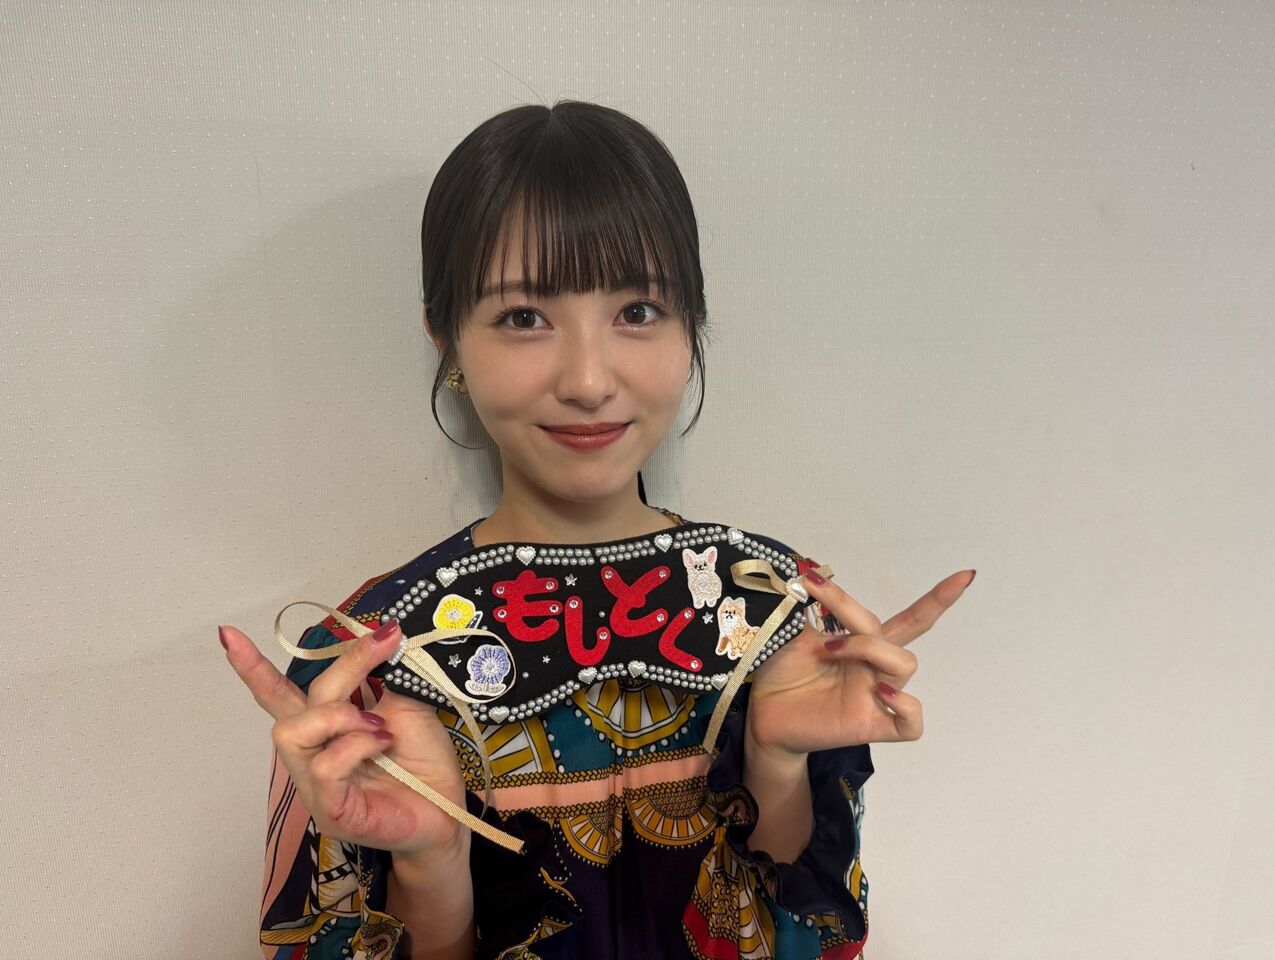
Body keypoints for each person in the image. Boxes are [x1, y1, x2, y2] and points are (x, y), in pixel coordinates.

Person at [221, 99, 973, 960]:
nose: (587, 380)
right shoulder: (366, 666)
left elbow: (813, 941)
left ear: (691, 325)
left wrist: (774, 761)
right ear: (447, 340)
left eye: (638, 310)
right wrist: (431, 866)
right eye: (523, 317)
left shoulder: (774, 615)